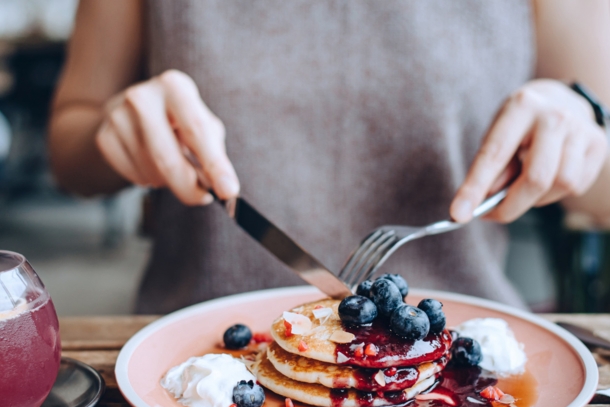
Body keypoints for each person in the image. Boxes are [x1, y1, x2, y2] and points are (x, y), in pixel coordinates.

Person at [48, 0, 610, 314]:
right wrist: (113, 132)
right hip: (191, 362)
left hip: (467, 376)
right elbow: (68, 155)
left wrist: (584, 126)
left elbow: (601, 198)